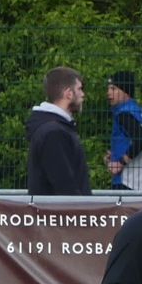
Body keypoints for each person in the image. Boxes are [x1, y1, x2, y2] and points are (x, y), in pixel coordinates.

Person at [26, 67, 91, 196]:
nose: (82, 94)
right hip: (62, 214)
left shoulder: (54, 128)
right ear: (69, 93)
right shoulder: (54, 133)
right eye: (79, 89)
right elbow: (64, 185)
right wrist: (82, 210)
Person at [104, 73, 142, 192]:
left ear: (126, 92)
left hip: (127, 182)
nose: (108, 93)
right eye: (108, 88)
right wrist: (115, 155)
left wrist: (120, 162)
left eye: (113, 88)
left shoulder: (124, 114)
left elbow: (141, 139)